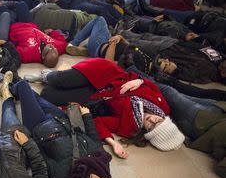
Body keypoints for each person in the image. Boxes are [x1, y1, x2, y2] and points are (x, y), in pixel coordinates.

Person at [11, 80, 140, 178]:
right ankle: (15, 87)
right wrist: (86, 116)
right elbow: (94, 137)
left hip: (39, 125)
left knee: (23, 86)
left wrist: (27, 144)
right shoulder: (103, 163)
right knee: (36, 97)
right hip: (62, 119)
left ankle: (13, 86)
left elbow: (40, 159)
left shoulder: (64, 177)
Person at [36, 58, 185, 158]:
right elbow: (153, 85)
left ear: (147, 133)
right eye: (157, 120)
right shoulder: (163, 107)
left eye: (151, 126)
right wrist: (139, 81)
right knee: (59, 79)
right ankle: (48, 76)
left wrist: (113, 143)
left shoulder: (130, 127)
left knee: (48, 94)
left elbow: (99, 123)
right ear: (163, 117)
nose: (151, 119)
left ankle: (62, 76)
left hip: (97, 94)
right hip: (109, 74)